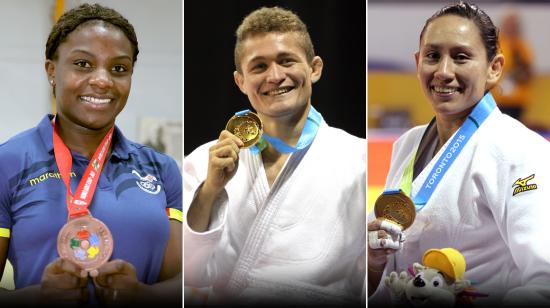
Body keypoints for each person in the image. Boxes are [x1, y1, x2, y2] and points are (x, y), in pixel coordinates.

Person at [368, 2, 550, 307]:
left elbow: (544, 280)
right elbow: (389, 275)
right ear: (417, 63)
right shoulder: (407, 144)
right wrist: (374, 263)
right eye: (432, 56)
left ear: (494, 68)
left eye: (461, 57)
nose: (443, 71)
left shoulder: (523, 152)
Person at [0, 3, 182, 306]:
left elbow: (182, 284)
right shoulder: (9, 162)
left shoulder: (161, 169)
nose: (102, 80)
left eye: (119, 68)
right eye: (83, 64)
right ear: (51, 71)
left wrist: (144, 295)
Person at [184, 6, 365, 307]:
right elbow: (190, 273)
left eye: (286, 61)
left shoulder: (359, 159)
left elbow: (373, 274)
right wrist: (210, 190)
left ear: (314, 68)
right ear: (240, 81)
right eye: (259, 67)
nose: (275, 76)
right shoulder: (204, 160)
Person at [492, 9, 534, 121]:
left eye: (514, 24)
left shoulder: (523, 47)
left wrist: (519, 74)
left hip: (517, 101)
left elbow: (529, 73)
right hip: (496, 101)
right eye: (509, 23)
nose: (512, 27)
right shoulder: (494, 45)